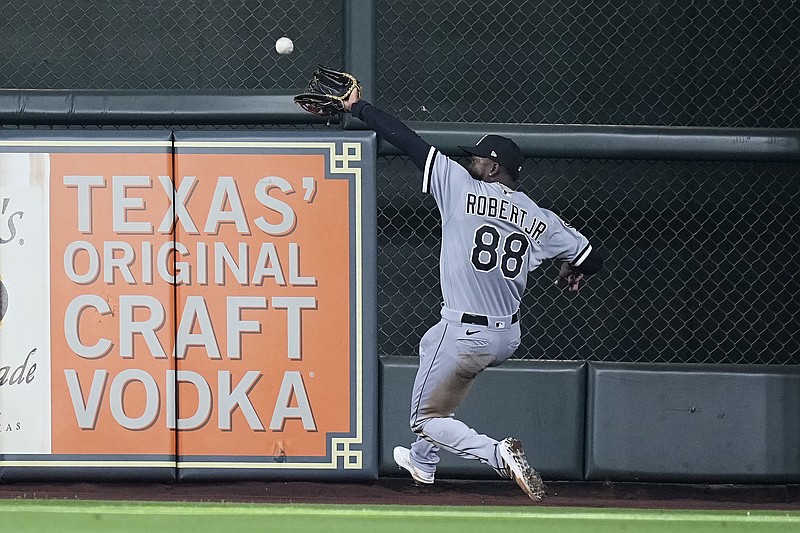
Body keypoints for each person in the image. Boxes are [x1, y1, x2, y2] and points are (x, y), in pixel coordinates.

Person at [343, 89, 604, 502]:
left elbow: (406, 139)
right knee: (431, 347)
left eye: (478, 158)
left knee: (425, 417)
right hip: (507, 337)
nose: (470, 161)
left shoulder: (460, 185)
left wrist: (357, 107)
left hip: (465, 332)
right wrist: (571, 268)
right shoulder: (540, 217)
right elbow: (592, 257)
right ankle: (423, 462)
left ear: (493, 167)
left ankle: (498, 455)